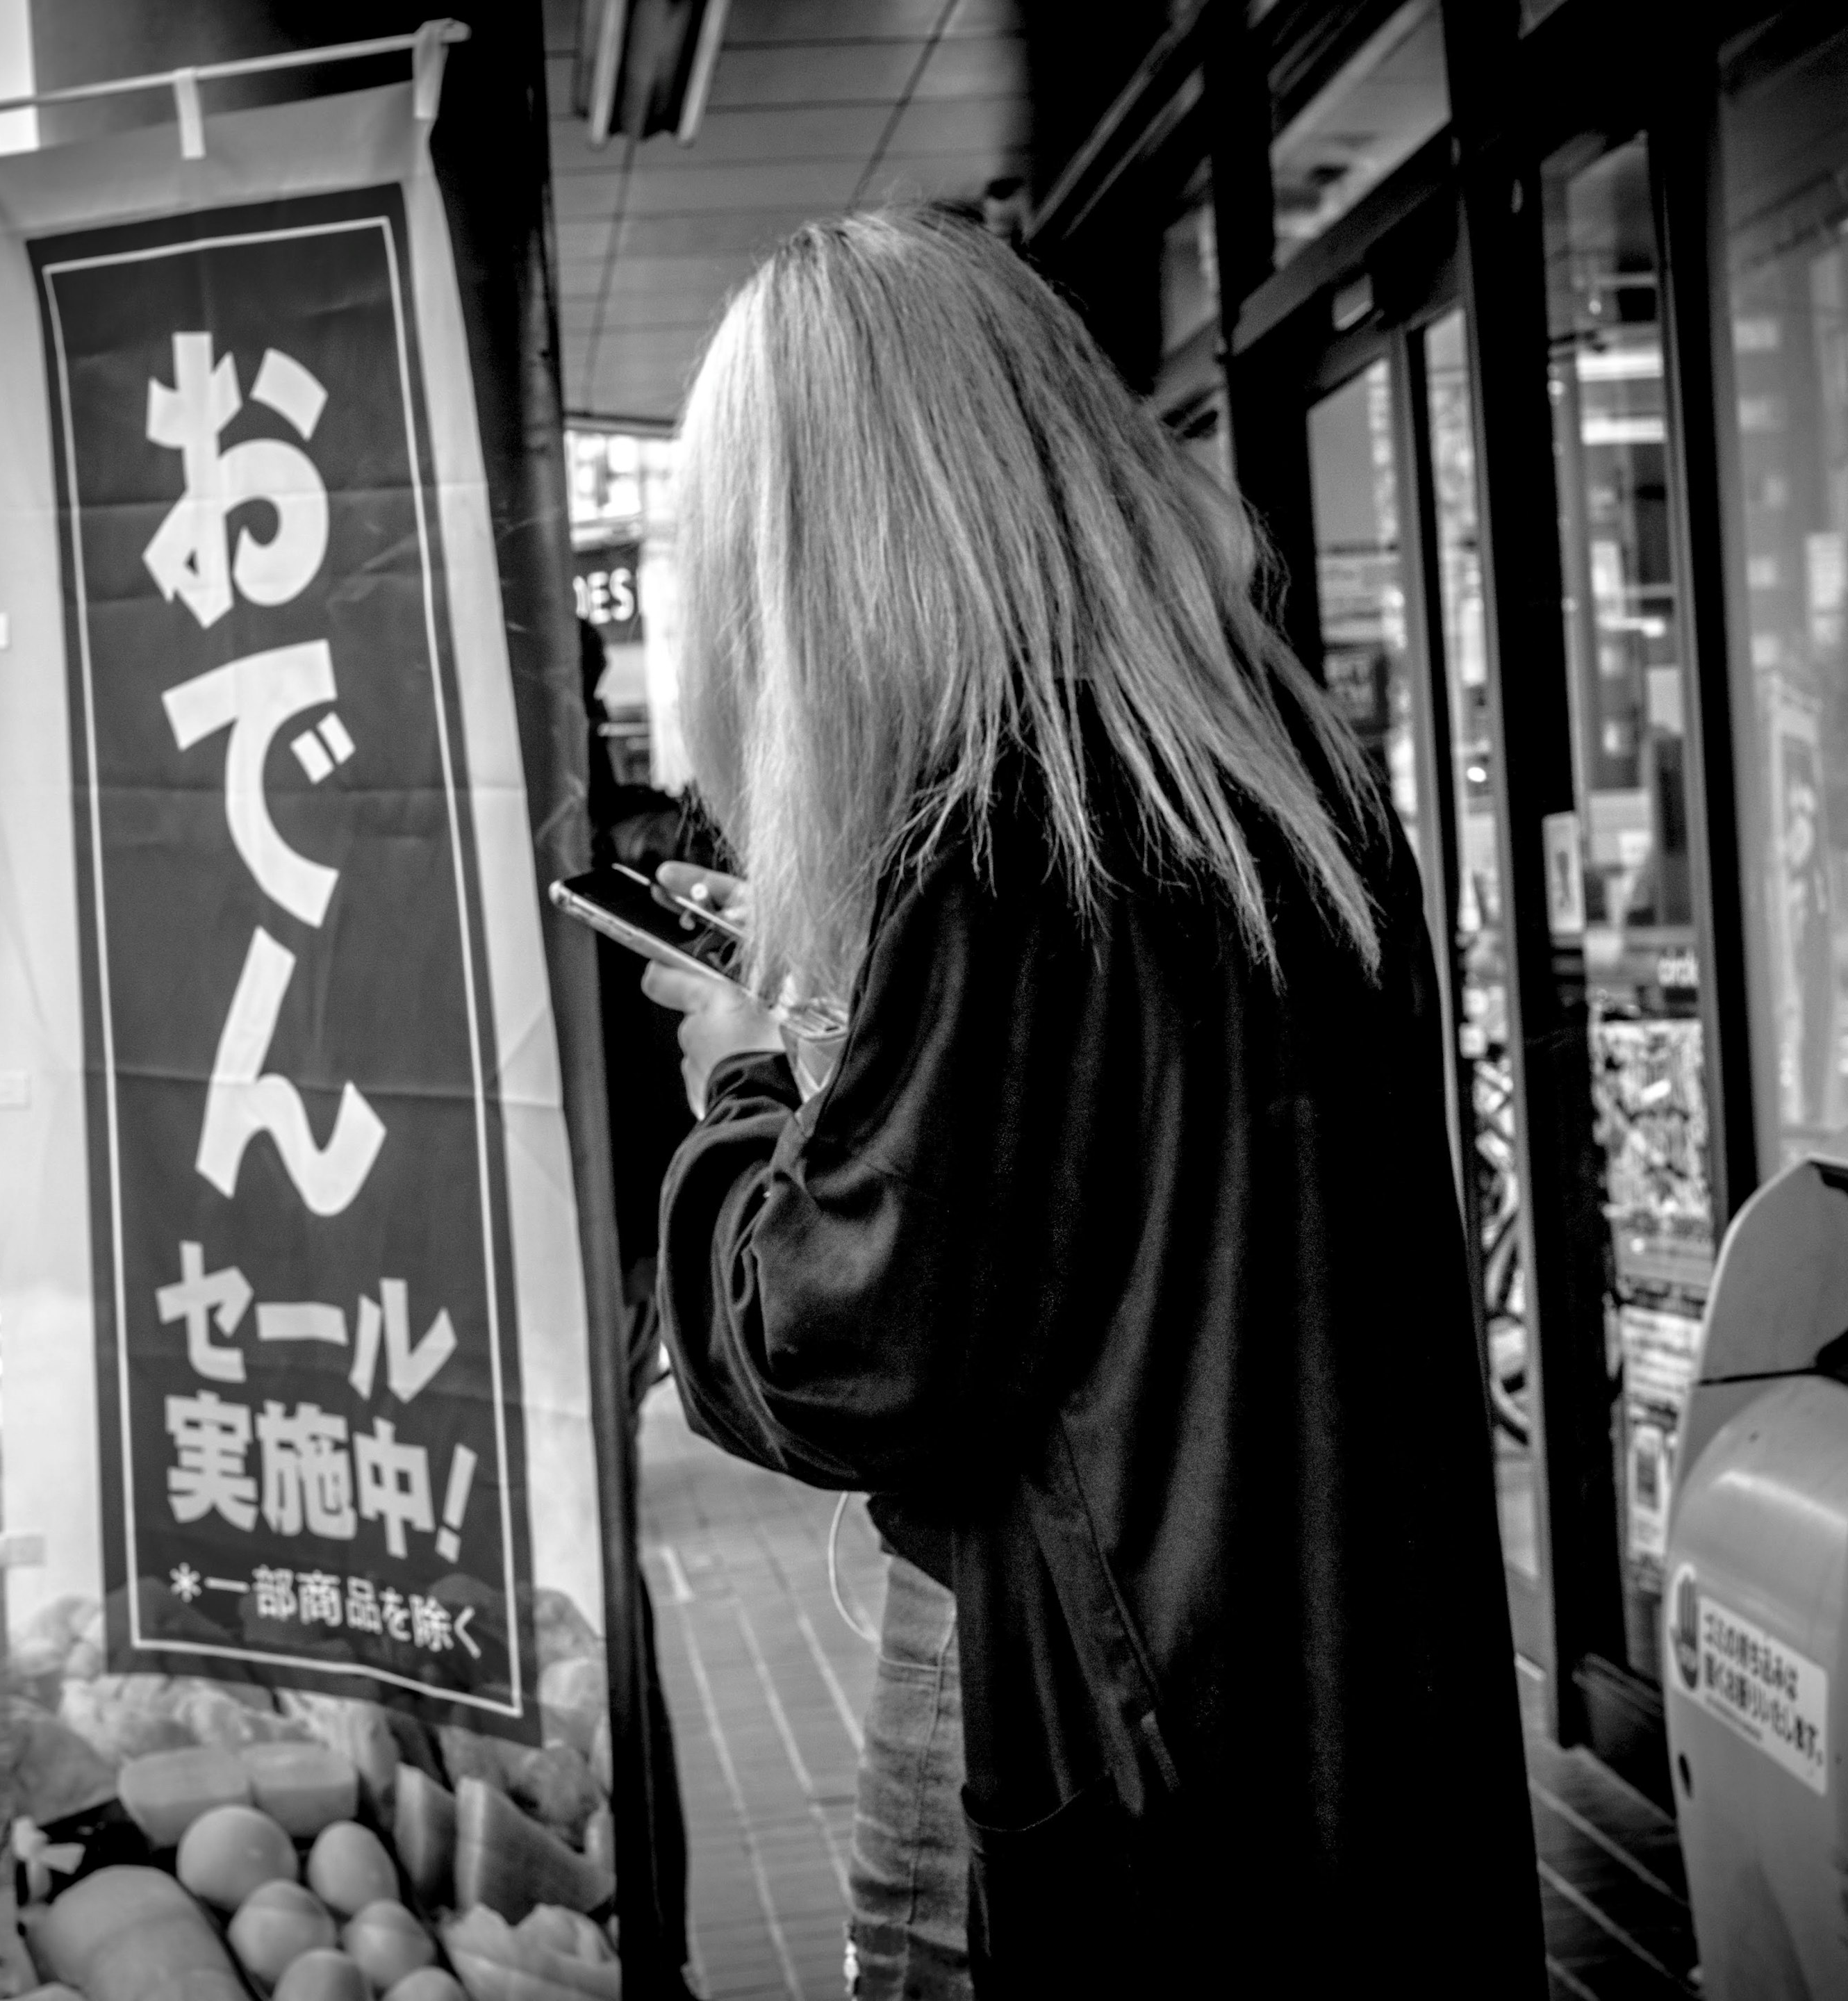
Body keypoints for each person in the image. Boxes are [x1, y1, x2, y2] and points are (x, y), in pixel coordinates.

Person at [641, 210, 1542, 1995]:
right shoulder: (1275, 771)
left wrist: (747, 1087)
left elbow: (853, 1348)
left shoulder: (998, 836)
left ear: (830, 540)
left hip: (1125, 1737)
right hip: (1348, 1698)